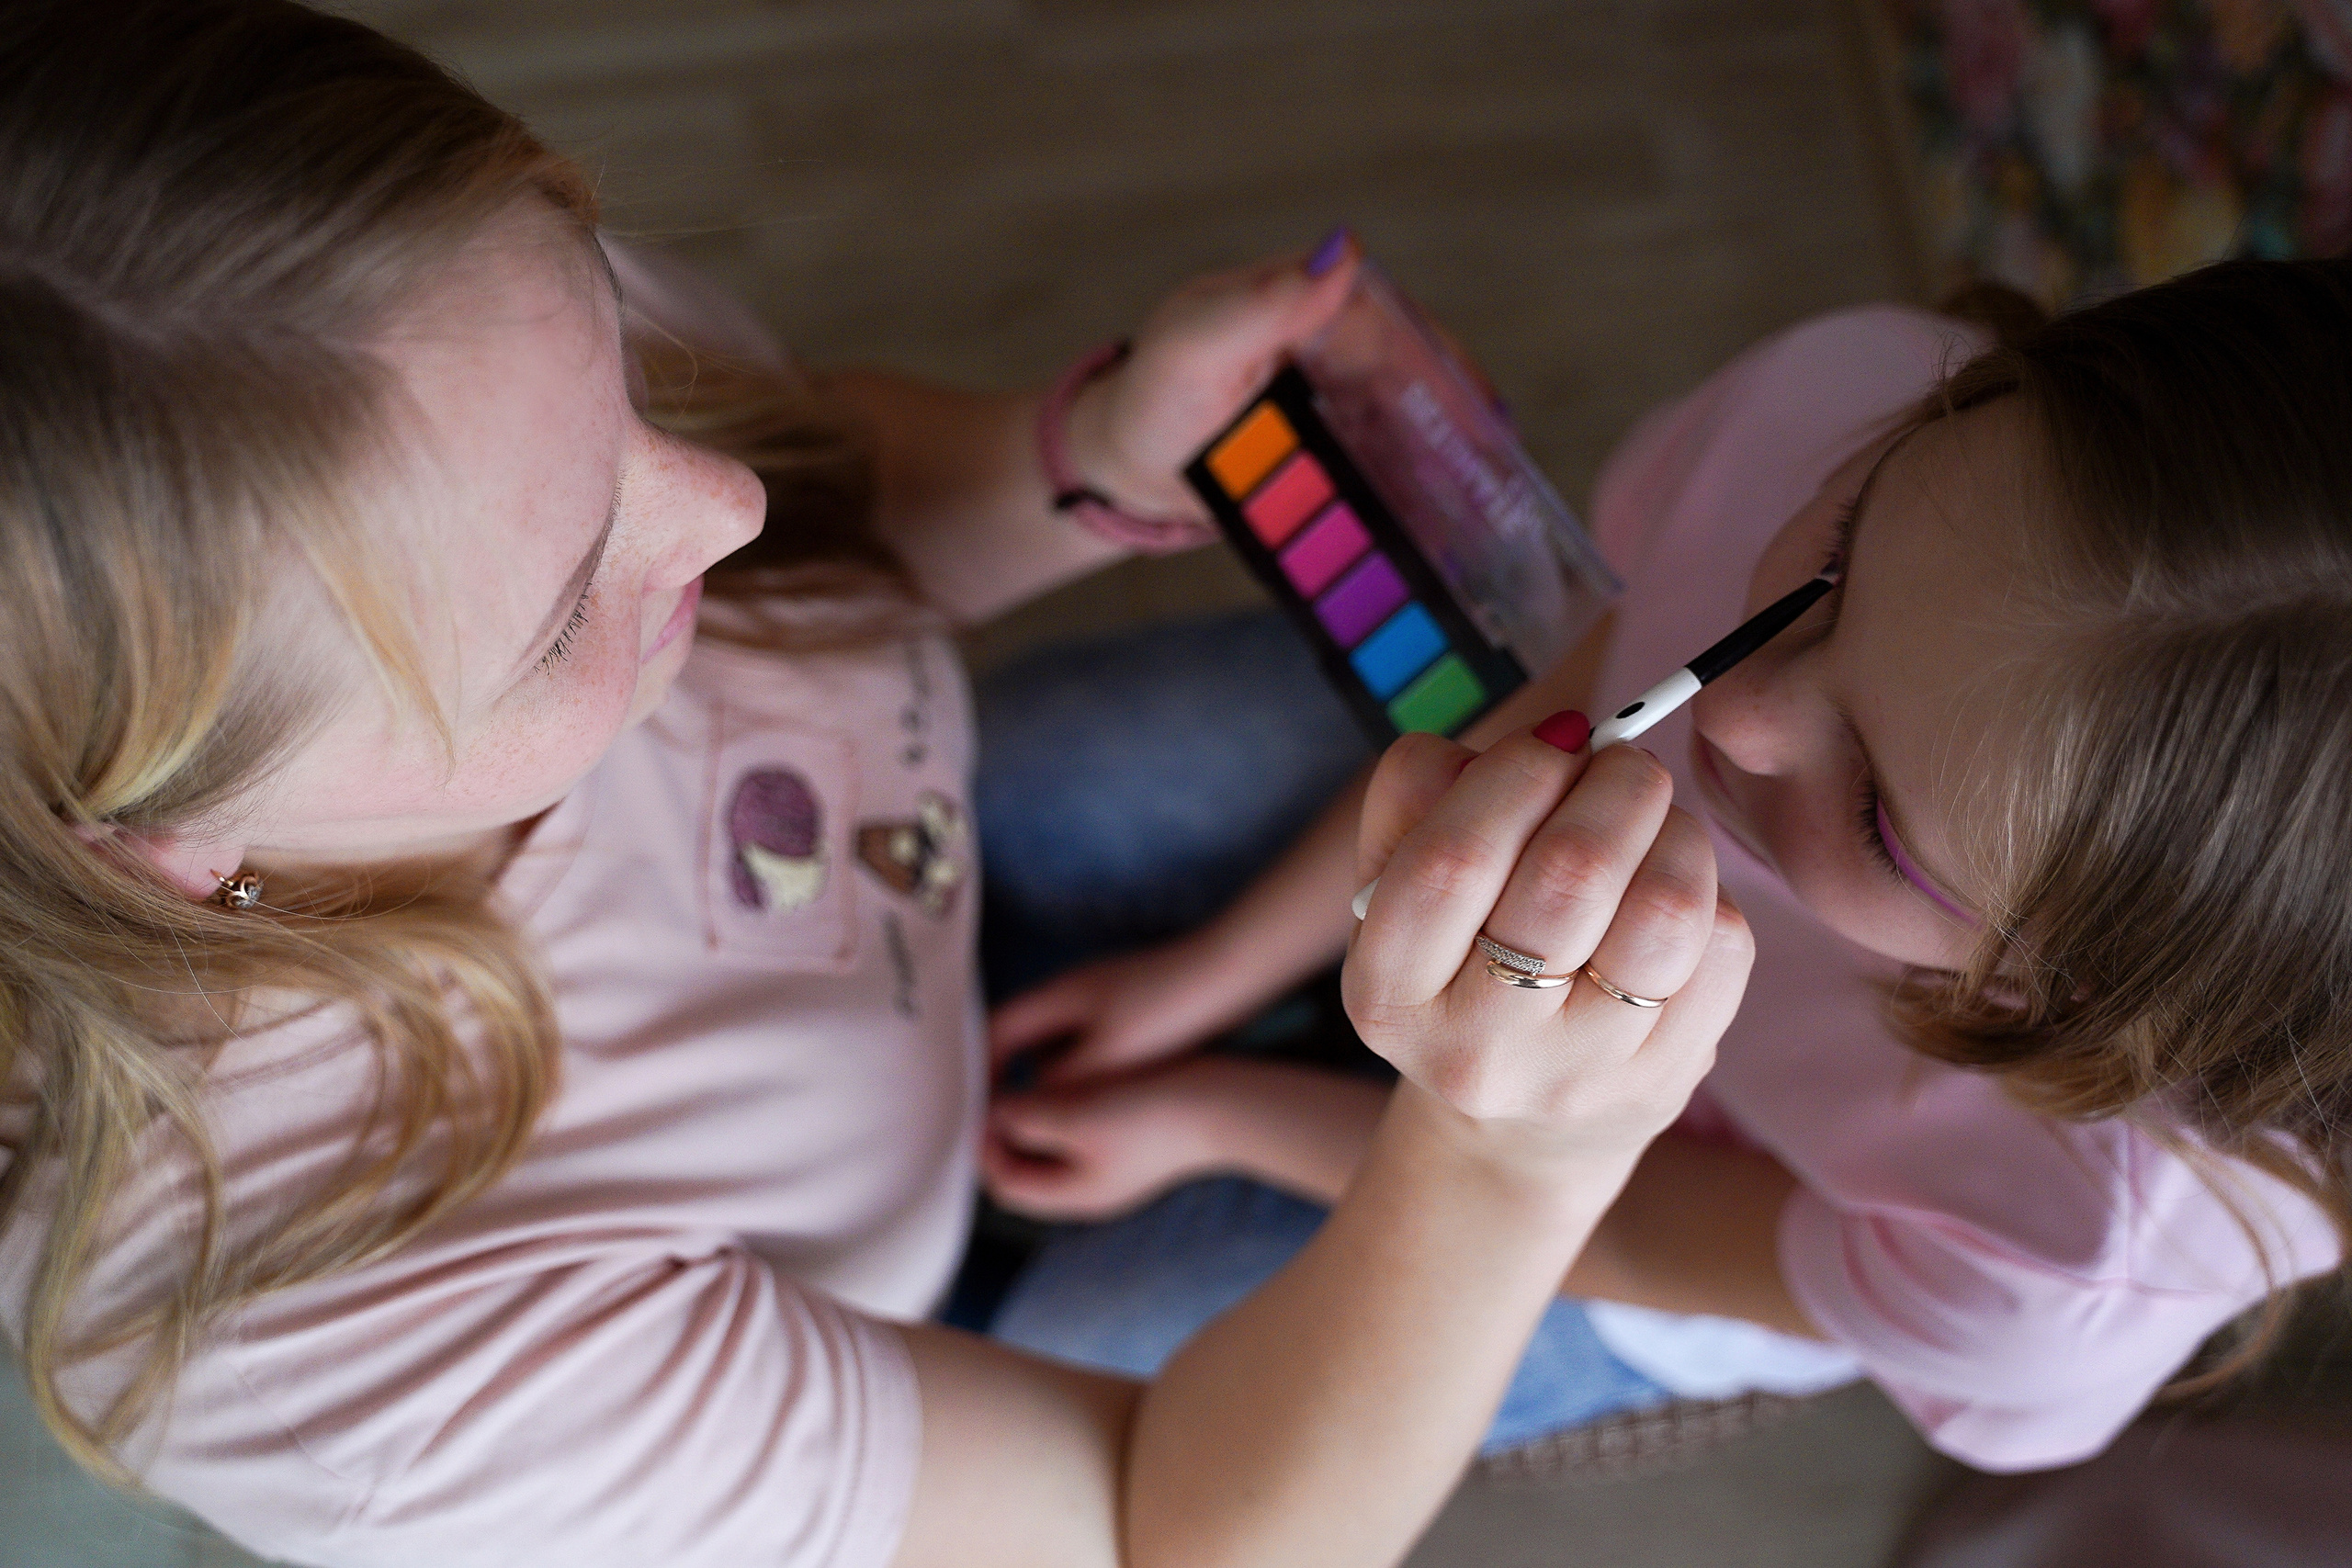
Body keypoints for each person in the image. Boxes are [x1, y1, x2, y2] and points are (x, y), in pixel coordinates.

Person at [0, 3, 1754, 1565]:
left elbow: (828, 484)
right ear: (160, 839)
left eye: (620, 369)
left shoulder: (367, 335)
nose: (729, 512)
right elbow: (1178, 1531)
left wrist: (1077, 461)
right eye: (556, 619)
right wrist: (1512, 1164)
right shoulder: (341, 1359)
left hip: (923, 892)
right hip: (931, 1338)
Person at [981, 262, 2352, 1472]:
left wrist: (1214, 1111)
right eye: (1835, 564)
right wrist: (1208, 974)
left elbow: (1629, 1233)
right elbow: (1609, 668)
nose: (1730, 720)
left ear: (2091, 995)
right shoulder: (1855, 398)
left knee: (1065, 1358)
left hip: (1641, 1214)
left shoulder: (2067, 1261)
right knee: (1029, 773)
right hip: (1503, 883)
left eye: (1879, 814)